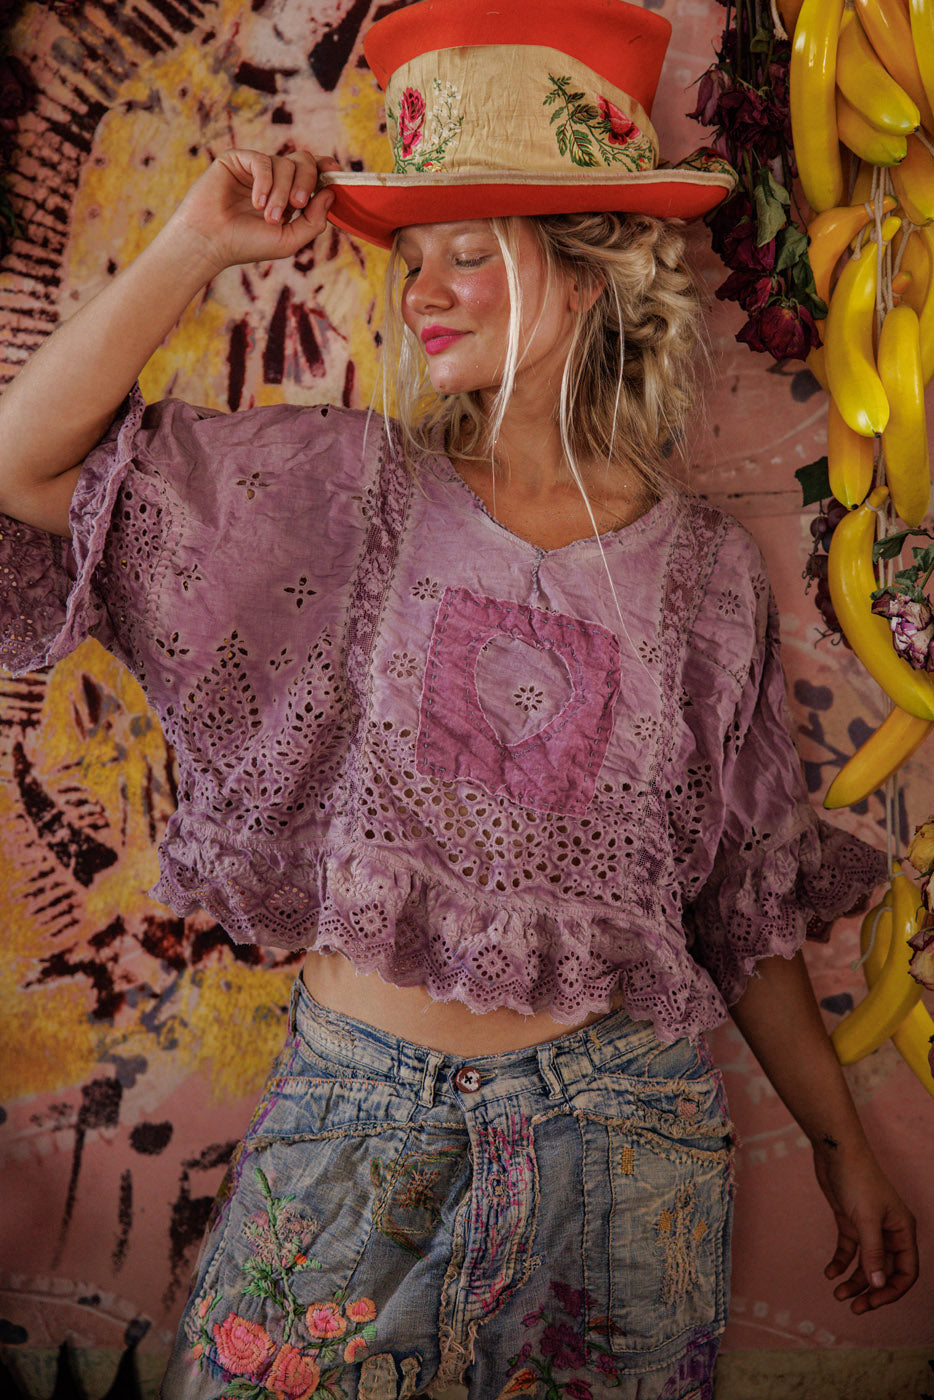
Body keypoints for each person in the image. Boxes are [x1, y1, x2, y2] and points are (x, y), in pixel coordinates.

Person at [0, 1, 919, 1397]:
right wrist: (191, 243)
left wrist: (846, 1152)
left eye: (467, 253)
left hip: (624, 1147)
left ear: (590, 273)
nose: (420, 292)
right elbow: (23, 469)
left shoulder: (705, 576)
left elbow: (738, 905)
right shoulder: (344, 498)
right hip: (352, 1121)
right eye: (411, 259)